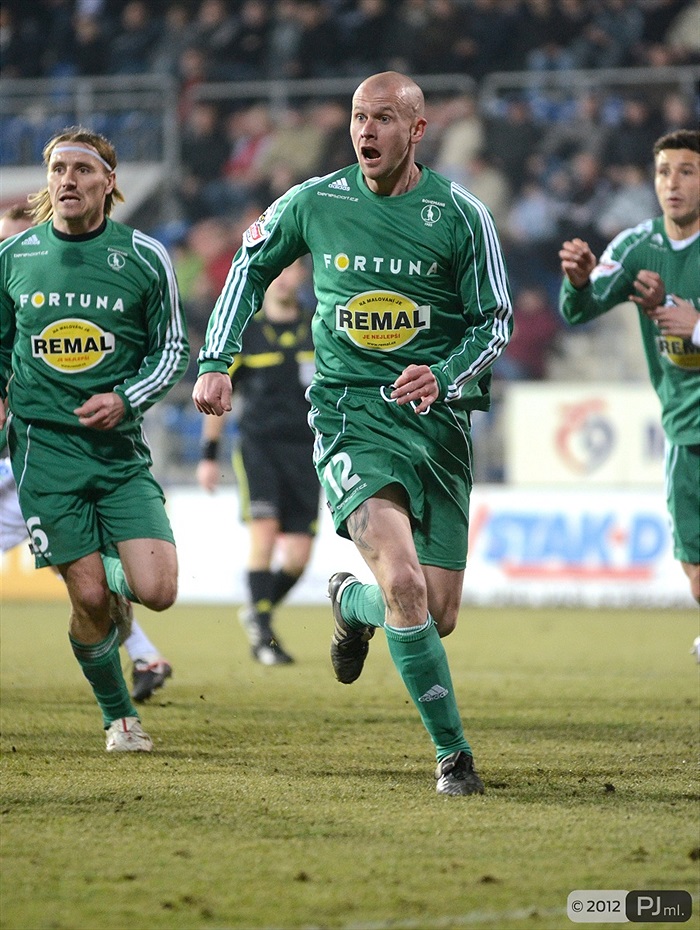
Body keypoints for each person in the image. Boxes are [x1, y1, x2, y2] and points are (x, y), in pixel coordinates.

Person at [193, 72, 513, 795]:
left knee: (435, 612)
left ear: (418, 130)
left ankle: (348, 602)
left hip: (438, 426)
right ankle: (453, 755)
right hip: (350, 415)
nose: (367, 131)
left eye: (384, 119)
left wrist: (447, 372)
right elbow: (248, 267)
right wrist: (215, 361)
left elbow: (497, 321)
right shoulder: (315, 201)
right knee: (402, 582)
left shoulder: (461, 216)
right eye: (358, 118)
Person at [0, 128, 189, 751]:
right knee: (87, 594)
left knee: (157, 591)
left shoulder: (143, 257)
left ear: (109, 182)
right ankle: (120, 718)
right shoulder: (15, 257)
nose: (68, 180)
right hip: (43, 451)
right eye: (58, 168)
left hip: (117, 454)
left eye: (82, 169)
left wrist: (126, 397)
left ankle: (108, 566)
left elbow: (170, 351)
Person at [559, 129, 700, 613]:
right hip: (685, 429)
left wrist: (697, 328)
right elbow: (579, 310)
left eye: (686, 171)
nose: (672, 183)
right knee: (697, 575)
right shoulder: (637, 246)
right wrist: (578, 282)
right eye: (664, 172)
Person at [196, 259, 319, 666]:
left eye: (292, 269)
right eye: (277, 271)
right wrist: (209, 457)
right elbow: (218, 398)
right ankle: (263, 637)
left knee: (299, 557)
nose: (284, 277)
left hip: (308, 451)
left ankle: (257, 611)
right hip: (259, 448)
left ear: (302, 275)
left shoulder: (320, 326)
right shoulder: (247, 334)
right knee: (264, 534)